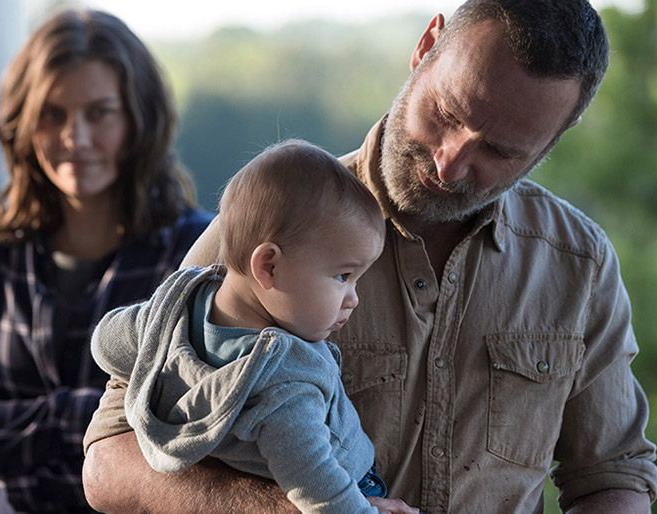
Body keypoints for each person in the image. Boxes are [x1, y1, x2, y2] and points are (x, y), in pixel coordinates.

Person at [81, 1, 657, 513]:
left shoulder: (579, 263)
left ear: (561, 134)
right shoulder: (273, 221)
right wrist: (295, 510)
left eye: (501, 152)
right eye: (448, 113)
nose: (450, 163)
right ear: (426, 45)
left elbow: (613, 475)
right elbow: (109, 462)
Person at [0, 9, 212, 514]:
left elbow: (203, 425)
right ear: (24, 119)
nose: (75, 138)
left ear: (138, 116)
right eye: (53, 113)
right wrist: (105, 418)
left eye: (100, 112)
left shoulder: (194, 252)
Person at [90, 140, 419, 514]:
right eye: (343, 276)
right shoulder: (286, 380)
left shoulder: (176, 306)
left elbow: (105, 343)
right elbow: (316, 482)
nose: (353, 298)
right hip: (351, 486)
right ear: (268, 267)